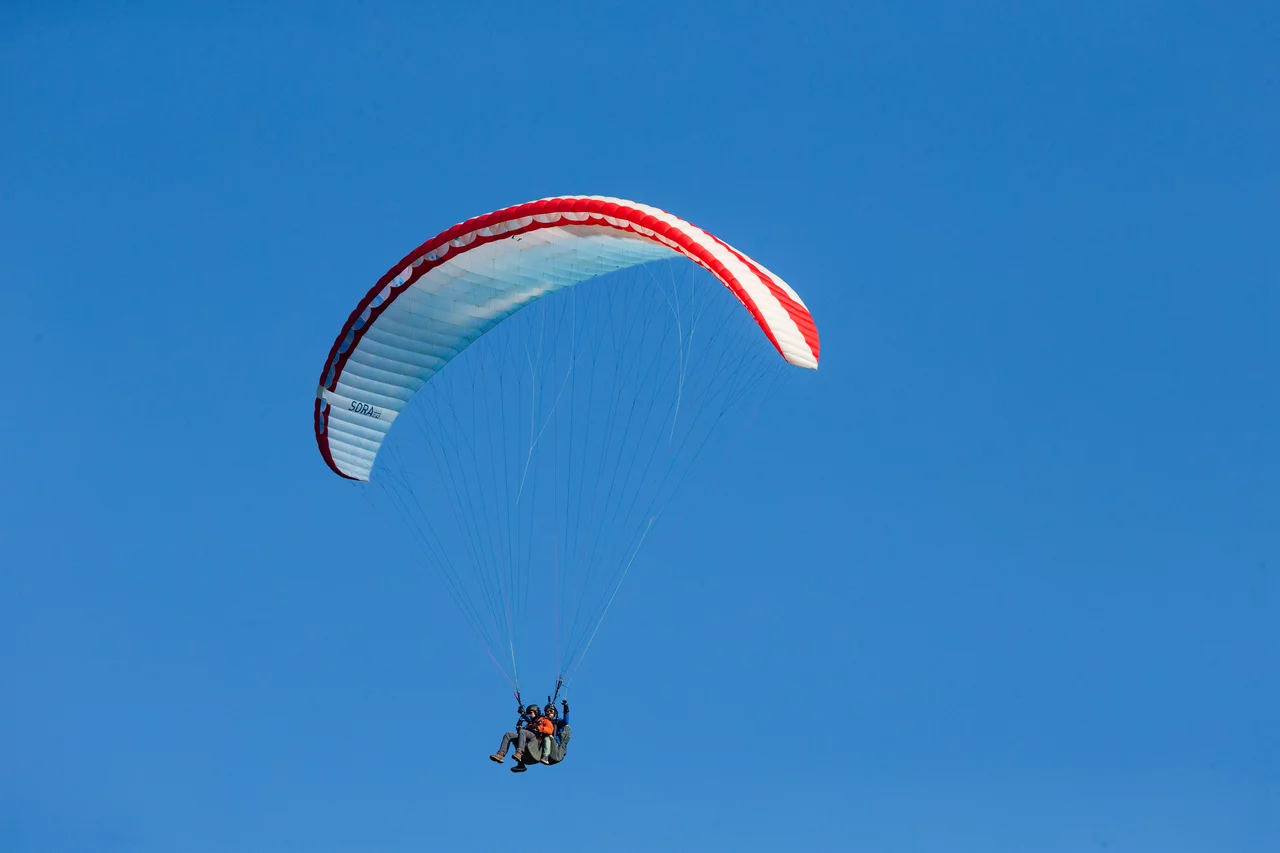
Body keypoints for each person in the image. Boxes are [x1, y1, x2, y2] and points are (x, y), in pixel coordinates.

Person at [538, 700, 571, 765]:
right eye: (547, 711)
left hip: (555, 745)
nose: (549, 713)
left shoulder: (557, 722)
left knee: (547, 736)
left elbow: (566, 721)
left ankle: (546, 757)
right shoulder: (543, 721)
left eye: (551, 711)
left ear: (554, 713)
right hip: (544, 744)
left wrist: (566, 708)